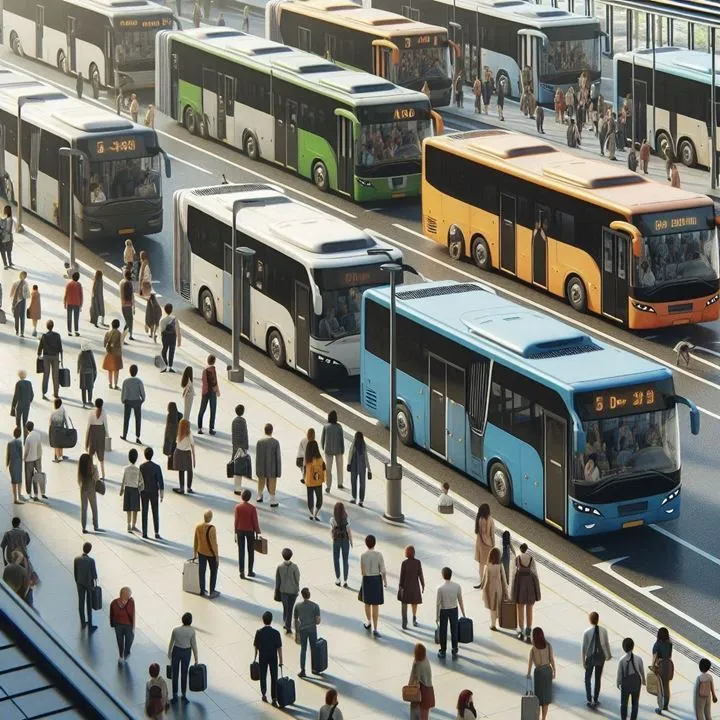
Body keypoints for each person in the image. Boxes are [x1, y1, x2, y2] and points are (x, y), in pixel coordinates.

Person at [582, 611, 612, 708]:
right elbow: (606, 644)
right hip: (600, 657)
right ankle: (595, 699)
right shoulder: (604, 631)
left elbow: (583, 648)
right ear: (598, 620)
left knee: (587, 678)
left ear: (590, 620)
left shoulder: (586, 632)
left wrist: (583, 661)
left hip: (590, 657)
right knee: (598, 678)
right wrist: (608, 655)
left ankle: (589, 699)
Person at [512, 543, 540, 642]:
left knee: (519, 609)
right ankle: (528, 632)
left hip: (520, 585)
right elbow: (535, 573)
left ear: (520, 549)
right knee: (529, 609)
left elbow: (513, 572)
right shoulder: (531, 559)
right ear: (527, 549)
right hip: (530, 586)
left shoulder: (517, 558)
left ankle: (521, 631)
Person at [254, 611, 283, 706]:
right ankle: (274, 698)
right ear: (271, 620)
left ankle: (263, 693)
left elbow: (256, 647)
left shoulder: (259, 632)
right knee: (274, 676)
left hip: (263, 657)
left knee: (263, 674)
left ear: (263, 620)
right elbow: (279, 648)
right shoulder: (276, 633)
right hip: (273, 657)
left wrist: (255, 658)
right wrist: (281, 661)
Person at [168, 612, 198, 703]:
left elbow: (171, 642)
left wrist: (169, 653)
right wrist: (196, 658)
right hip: (186, 652)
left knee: (175, 674)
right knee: (184, 674)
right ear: (191, 621)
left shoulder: (175, 630)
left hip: (176, 651)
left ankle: (175, 695)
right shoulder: (192, 631)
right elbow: (194, 645)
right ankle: (184, 695)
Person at [360, 534, 387, 637]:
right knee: (375, 605)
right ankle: (375, 628)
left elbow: (362, 572)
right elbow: (383, 570)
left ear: (366, 544)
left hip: (367, 579)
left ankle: (368, 622)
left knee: (367, 603)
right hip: (376, 580)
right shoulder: (379, 555)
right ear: (374, 543)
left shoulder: (363, 556)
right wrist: (385, 581)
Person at [436, 566, 464, 659]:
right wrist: (463, 613)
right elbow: (460, 600)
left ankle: (443, 650)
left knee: (443, 631)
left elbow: (438, 604)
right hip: (454, 609)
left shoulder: (440, 588)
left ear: (443, 575)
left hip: (443, 610)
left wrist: (437, 616)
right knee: (454, 630)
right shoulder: (457, 586)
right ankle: (454, 648)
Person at [527, 627, 556, 720]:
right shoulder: (548, 646)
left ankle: (538, 718)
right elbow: (551, 659)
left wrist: (528, 674)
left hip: (538, 672)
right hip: (547, 671)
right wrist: (554, 670)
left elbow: (530, 662)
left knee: (538, 698)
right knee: (546, 699)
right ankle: (544, 718)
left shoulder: (533, 649)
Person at [294, 587, 321, 678]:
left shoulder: (297, 606)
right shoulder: (315, 606)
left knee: (303, 650)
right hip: (312, 630)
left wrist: (297, 633)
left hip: (302, 630)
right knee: (313, 649)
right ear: (309, 594)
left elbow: (296, 620)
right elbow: (317, 621)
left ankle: (302, 670)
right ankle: (314, 669)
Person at [617, 637, 645, 720]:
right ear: (633, 646)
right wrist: (643, 680)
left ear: (623, 648)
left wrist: (618, 683)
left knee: (624, 704)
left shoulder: (622, 660)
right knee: (635, 704)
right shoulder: (639, 659)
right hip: (636, 683)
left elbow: (620, 674)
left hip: (626, 684)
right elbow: (642, 671)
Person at [193, 509, 219, 598]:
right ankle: (212, 590)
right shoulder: (212, 528)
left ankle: (202, 589)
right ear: (210, 518)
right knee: (213, 571)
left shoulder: (198, 527)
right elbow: (214, 543)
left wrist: (195, 552)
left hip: (201, 551)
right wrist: (217, 556)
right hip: (211, 554)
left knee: (202, 571)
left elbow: (195, 540)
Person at [235, 488, 260, 579]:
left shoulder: (237, 507)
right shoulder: (252, 508)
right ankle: (250, 571)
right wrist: (257, 531)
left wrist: (235, 531)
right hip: (250, 531)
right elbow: (255, 521)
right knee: (250, 551)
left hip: (240, 530)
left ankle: (241, 571)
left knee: (241, 551)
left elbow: (236, 521)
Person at [398, 545, 424, 630]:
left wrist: (400, 588)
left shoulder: (404, 563)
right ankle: (414, 618)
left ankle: (404, 622)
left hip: (406, 587)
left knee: (404, 605)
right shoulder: (418, 562)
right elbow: (420, 575)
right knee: (414, 603)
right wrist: (423, 585)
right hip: (415, 587)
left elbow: (402, 577)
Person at [140, 447, 163, 540]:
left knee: (144, 512)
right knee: (155, 511)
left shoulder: (141, 467)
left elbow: (140, 481)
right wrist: (161, 494)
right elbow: (160, 482)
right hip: (154, 492)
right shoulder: (157, 467)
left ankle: (144, 532)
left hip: (144, 492)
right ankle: (156, 532)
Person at [481, 547, 508, 631]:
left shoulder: (487, 566)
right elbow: (504, 579)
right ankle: (500, 621)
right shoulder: (500, 565)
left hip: (489, 590)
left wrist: (482, 588)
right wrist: (506, 590)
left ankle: (493, 625)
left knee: (492, 608)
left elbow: (484, 579)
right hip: (498, 589)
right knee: (498, 606)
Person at [74, 542, 98, 631]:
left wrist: (77, 581)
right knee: (89, 603)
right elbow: (94, 575)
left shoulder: (76, 559)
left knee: (81, 602)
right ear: (90, 550)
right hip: (89, 584)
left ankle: (83, 623)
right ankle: (90, 624)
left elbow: (75, 572)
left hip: (79, 583)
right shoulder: (91, 561)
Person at [256, 423, 281, 507]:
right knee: (272, 481)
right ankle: (272, 499)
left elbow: (258, 456)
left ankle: (259, 495)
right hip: (272, 466)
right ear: (272, 431)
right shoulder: (275, 442)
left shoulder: (260, 441)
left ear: (264, 430)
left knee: (261, 480)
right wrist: (279, 471)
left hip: (261, 465)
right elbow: (278, 458)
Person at [276, 547, 300, 633]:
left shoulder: (279, 567)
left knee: (285, 607)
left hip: (283, 591)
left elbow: (278, 580)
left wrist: (277, 590)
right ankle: (288, 626)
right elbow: (297, 578)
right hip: (293, 591)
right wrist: (297, 587)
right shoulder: (294, 567)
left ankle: (285, 622)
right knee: (290, 608)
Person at [408, 643, 435, 720]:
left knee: (416, 714)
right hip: (428, 691)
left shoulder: (417, 663)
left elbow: (414, 679)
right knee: (425, 715)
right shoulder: (426, 660)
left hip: (419, 693)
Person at [37, 319, 63, 399]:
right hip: (55, 357)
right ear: (53, 326)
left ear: (47, 327)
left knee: (46, 375)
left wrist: (38, 354)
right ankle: (56, 393)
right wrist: (61, 359)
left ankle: (44, 393)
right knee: (55, 376)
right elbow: (60, 348)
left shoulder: (44, 336)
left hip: (46, 357)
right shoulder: (57, 335)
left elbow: (40, 346)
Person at [120, 364, 146, 443]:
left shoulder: (126, 381)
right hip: (137, 402)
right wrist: (142, 400)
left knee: (126, 419)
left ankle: (124, 435)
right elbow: (143, 393)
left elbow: (123, 393)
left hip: (128, 402)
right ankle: (137, 437)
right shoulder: (139, 381)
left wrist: (123, 400)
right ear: (136, 372)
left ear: (129, 371)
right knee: (138, 419)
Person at [120, 448, 144, 533]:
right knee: (135, 509)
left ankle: (128, 525)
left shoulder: (126, 469)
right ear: (136, 458)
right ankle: (134, 525)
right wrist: (140, 489)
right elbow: (141, 481)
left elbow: (123, 479)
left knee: (128, 509)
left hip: (127, 489)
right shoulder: (138, 470)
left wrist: (122, 489)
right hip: (135, 490)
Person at [321, 410, 345, 493]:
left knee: (328, 469)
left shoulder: (326, 426)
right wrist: (343, 449)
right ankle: (340, 483)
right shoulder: (339, 427)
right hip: (338, 450)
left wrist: (323, 448)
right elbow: (341, 439)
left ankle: (328, 486)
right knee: (340, 467)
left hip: (328, 450)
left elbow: (322, 439)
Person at [109, 587, 135, 663]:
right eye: (128, 595)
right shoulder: (114, 603)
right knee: (120, 642)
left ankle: (127, 651)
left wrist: (133, 627)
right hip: (118, 626)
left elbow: (133, 614)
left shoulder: (131, 602)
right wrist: (112, 624)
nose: (129, 597)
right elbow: (111, 615)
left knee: (129, 641)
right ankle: (121, 655)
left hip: (128, 626)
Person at [331, 501, 353, 587]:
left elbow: (332, 530)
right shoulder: (346, 518)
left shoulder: (333, 519)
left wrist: (333, 537)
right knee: (345, 560)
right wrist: (351, 541)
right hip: (345, 540)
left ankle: (338, 579)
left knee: (336, 559)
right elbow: (349, 531)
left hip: (336, 540)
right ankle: (345, 580)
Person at [652, 626, 673, 713]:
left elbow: (654, 658)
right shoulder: (670, 644)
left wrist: (653, 667)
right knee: (666, 686)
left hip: (660, 666)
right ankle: (666, 705)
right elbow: (670, 655)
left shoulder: (657, 645)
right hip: (669, 665)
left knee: (660, 688)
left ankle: (660, 707)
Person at [77, 452, 100, 534]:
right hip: (92, 488)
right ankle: (96, 525)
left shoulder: (80, 469)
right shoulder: (93, 468)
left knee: (84, 508)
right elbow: (97, 478)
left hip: (83, 488)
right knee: (94, 507)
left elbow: (78, 481)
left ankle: (83, 527)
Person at [86, 398, 108, 479]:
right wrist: (107, 435)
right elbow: (105, 425)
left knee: (91, 455)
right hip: (100, 434)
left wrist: (86, 440)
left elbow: (88, 426)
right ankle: (103, 474)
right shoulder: (104, 412)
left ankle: (90, 472)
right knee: (101, 457)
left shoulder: (92, 412)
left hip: (93, 434)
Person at [197, 355, 220, 435]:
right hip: (212, 392)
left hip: (204, 392)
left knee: (202, 410)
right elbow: (214, 381)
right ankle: (211, 428)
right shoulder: (212, 369)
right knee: (212, 410)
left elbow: (203, 380)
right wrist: (217, 391)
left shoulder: (204, 369)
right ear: (214, 361)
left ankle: (199, 428)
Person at [303, 438, 325, 520]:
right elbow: (323, 469)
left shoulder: (307, 459)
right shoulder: (319, 459)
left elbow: (304, 469)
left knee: (310, 498)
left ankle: (311, 513)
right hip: (318, 482)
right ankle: (315, 514)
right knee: (319, 499)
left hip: (309, 481)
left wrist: (304, 478)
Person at [474, 503, 495, 588]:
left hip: (480, 544)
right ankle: (489, 582)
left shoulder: (479, 519)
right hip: (488, 544)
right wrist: (493, 545)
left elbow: (477, 532)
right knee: (489, 564)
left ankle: (481, 581)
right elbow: (492, 534)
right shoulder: (490, 519)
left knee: (481, 565)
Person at [172, 419, 195, 494]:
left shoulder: (179, 433)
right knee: (189, 470)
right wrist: (194, 458)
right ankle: (189, 487)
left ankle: (181, 488)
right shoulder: (189, 434)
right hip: (187, 453)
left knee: (181, 471)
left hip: (178, 452)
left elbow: (176, 443)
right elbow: (192, 446)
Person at [347, 430, 370, 506]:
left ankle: (354, 498)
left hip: (354, 465)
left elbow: (350, 454)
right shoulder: (363, 445)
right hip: (362, 466)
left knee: (353, 481)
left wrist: (349, 464)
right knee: (362, 483)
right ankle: (361, 500)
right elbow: (366, 458)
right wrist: (369, 469)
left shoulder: (354, 444)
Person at [23, 421, 43, 501]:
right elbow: (39, 446)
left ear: (27, 428)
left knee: (28, 477)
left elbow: (26, 451)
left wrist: (24, 459)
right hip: (37, 458)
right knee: (36, 477)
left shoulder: (28, 438)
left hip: (29, 460)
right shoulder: (38, 434)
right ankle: (36, 494)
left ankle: (29, 493)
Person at [231, 404, 249, 493]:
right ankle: (238, 488)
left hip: (235, 446)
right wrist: (246, 447)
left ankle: (236, 486)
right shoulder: (243, 421)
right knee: (240, 468)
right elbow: (245, 435)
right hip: (241, 447)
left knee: (236, 466)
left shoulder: (234, 421)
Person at [159, 303, 181, 373]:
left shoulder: (162, 320)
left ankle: (165, 365)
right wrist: (179, 341)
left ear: (165, 310)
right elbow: (178, 330)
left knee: (164, 350)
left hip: (165, 337)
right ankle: (170, 367)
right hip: (173, 337)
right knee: (172, 352)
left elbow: (161, 330)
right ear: (172, 310)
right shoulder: (175, 319)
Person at [11, 369, 33, 435]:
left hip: (20, 405)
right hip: (27, 406)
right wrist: (29, 401)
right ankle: (25, 438)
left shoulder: (18, 383)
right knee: (25, 422)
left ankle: (18, 436)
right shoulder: (29, 383)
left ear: (19, 376)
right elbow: (32, 394)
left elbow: (16, 396)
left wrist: (13, 406)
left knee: (18, 422)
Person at [102, 318, 123, 390]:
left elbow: (104, 344)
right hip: (117, 353)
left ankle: (110, 384)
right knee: (116, 370)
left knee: (110, 370)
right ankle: (115, 384)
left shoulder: (107, 333)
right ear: (118, 326)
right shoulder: (119, 334)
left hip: (109, 353)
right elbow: (121, 344)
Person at [77, 341, 97, 409]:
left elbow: (78, 363)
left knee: (83, 388)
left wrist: (78, 370)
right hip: (90, 372)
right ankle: (90, 401)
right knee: (90, 387)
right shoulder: (90, 353)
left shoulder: (80, 354)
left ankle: (84, 402)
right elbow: (93, 363)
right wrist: (95, 370)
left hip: (82, 373)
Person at [6, 428, 24, 504]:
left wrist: (7, 464)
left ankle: (15, 498)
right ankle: (19, 495)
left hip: (12, 464)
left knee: (14, 482)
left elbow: (8, 455)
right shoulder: (20, 443)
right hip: (18, 464)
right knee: (19, 480)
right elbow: (21, 454)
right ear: (20, 434)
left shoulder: (9, 443)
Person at [10, 271, 29, 337]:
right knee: (21, 317)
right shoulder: (25, 284)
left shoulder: (16, 283)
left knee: (17, 316)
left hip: (17, 302)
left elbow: (11, 294)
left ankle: (18, 331)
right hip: (22, 301)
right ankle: (21, 332)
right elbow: (28, 295)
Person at [64, 272, 83, 336]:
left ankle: (69, 331)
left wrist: (64, 302)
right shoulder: (79, 285)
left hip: (69, 303)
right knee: (76, 318)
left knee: (69, 317)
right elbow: (81, 295)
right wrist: (81, 305)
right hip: (77, 303)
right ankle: (76, 331)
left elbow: (66, 294)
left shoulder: (69, 284)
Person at [48, 398, 68, 463]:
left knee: (56, 445)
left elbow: (50, 423)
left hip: (55, 431)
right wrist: (67, 429)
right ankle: (61, 455)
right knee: (61, 444)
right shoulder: (62, 411)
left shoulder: (53, 413)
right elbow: (65, 421)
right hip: (62, 429)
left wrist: (50, 432)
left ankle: (58, 458)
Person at [163, 401, 182, 469]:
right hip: (177, 437)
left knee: (170, 453)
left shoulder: (170, 416)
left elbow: (168, 429)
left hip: (170, 438)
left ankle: (171, 466)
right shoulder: (179, 415)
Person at [119, 270, 135, 341]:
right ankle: (128, 335)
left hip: (123, 304)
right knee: (129, 321)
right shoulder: (128, 283)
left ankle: (125, 336)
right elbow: (131, 295)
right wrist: (133, 305)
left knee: (126, 320)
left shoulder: (121, 282)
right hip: (128, 304)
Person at [0, 205, 15, 269]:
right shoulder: (9, 219)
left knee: (5, 251)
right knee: (6, 251)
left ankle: (7, 263)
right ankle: (7, 263)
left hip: (6, 237)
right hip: (6, 237)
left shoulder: (8, 219)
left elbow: (9, 229)